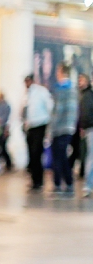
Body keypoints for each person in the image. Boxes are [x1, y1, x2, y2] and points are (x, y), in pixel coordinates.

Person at [49, 64, 78, 194]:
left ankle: (58, 184)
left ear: (61, 72)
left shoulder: (63, 89)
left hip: (61, 128)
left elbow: (58, 111)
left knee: (58, 156)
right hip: (67, 128)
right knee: (62, 156)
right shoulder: (71, 89)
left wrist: (51, 129)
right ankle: (68, 182)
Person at [22, 75, 53, 191]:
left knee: (36, 153)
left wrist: (49, 126)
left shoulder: (41, 91)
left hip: (40, 125)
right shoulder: (28, 94)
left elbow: (49, 107)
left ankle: (39, 180)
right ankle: (34, 180)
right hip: (31, 126)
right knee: (31, 154)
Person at [78, 73, 93, 197]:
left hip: (89, 128)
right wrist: (84, 126)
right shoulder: (88, 95)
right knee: (91, 157)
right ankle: (88, 185)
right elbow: (86, 113)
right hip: (91, 129)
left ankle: (88, 185)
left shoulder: (87, 95)